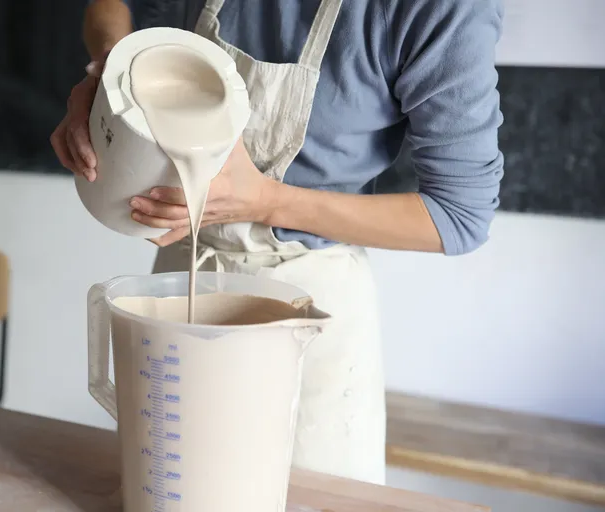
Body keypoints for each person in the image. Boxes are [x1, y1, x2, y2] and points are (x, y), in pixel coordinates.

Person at [51, 0, 504, 485]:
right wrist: (111, 76)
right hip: (185, 269)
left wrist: (265, 201)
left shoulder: (441, 10)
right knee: (167, 489)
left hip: (310, 304)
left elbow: (459, 215)